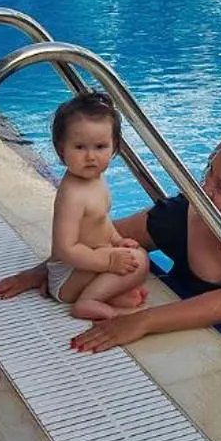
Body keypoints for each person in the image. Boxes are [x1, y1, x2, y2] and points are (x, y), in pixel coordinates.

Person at [0, 124, 221, 354]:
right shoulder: (190, 212)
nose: (204, 188)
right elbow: (111, 235)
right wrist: (45, 270)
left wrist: (142, 322)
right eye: (210, 171)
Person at [44, 94, 151, 320]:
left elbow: (101, 221)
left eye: (100, 146)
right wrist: (109, 261)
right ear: (61, 149)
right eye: (80, 147)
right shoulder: (72, 195)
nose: (91, 157)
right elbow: (66, 249)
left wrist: (117, 241)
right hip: (67, 275)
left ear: (114, 148)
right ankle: (88, 301)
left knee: (135, 255)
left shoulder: (95, 179)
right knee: (138, 261)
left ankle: (104, 294)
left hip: (87, 262)